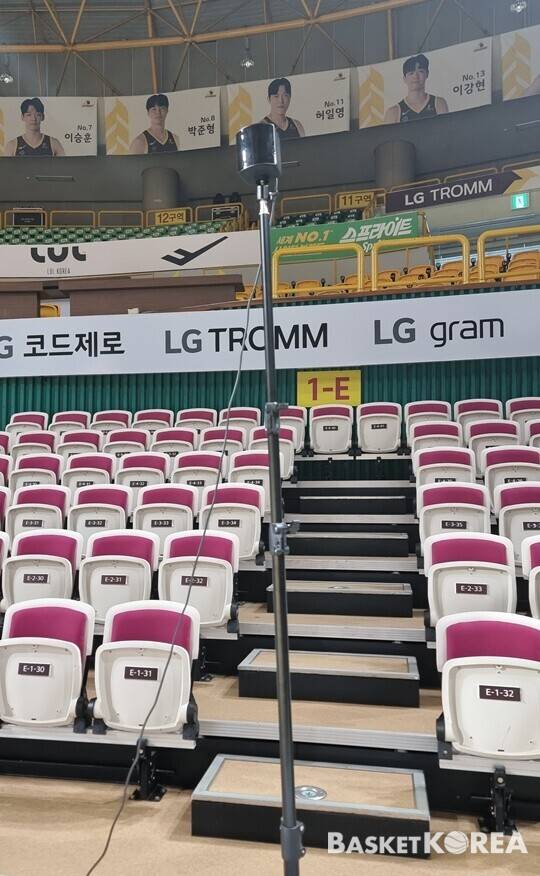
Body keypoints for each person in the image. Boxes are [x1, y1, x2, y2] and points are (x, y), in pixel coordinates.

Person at [384, 54, 448, 124]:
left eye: (420, 71)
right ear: (404, 78)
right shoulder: (393, 112)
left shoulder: (438, 103)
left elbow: (446, 129)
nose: (415, 76)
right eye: (411, 73)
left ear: (427, 74)